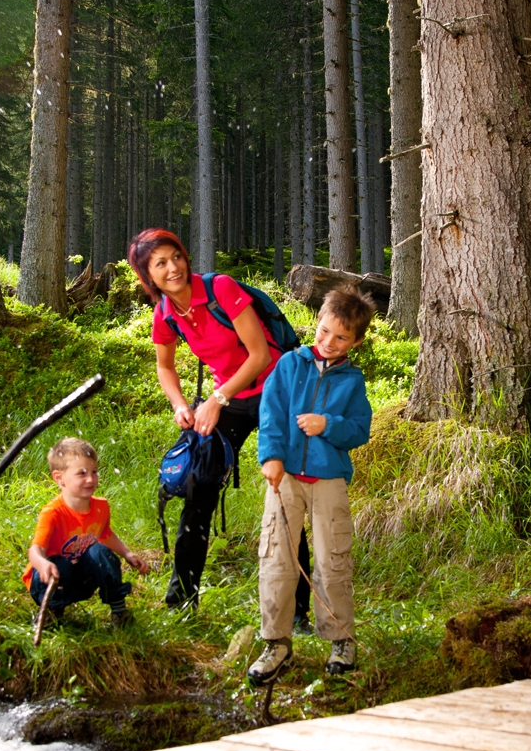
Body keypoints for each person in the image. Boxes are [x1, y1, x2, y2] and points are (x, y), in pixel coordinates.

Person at [131, 228, 309, 616]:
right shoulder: (164, 313)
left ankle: (297, 612)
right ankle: (181, 602)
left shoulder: (221, 289)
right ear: (148, 276)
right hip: (227, 399)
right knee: (198, 489)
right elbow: (164, 366)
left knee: (284, 494)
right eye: (160, 263)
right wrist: (180, 404)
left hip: (275, 391)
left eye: (176, 256)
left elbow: (259, 354)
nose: (173, 267)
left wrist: (216, 399)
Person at [248, 286, 375, 683]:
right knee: (276, 558)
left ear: (356, 341)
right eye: (323, 332)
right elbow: (270, 411)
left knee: (333, 558)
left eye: (341, 337)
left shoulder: (353, 381)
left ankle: (341, 638)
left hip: (328, 479)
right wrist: (270, 456)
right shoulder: (290, 365)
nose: (329, 342)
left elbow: (359, 430)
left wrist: (328, 426)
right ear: (316, 324)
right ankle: (276, 642)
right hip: (285, 477)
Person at [24, 437, 150, 626]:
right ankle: (52, 611)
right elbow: (36, 549)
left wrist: (127, 553)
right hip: (49, 580)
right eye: (81, 473)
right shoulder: (53, 513)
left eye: (94, 472)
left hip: (81, 580)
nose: (91, 479)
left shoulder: (101, 507)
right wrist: (42, 564)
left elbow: (105, 534)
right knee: (59, 564)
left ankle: (119, 610)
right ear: (59, 478)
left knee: (100, 552)